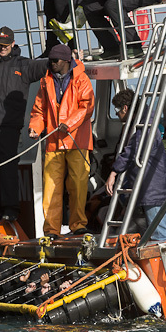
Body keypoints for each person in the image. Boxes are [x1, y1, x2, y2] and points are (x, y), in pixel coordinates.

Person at [0, 26, 50, 220]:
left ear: (13, 43)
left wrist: (69, 56)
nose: (2, 48)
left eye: (5, 45)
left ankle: (11, 209)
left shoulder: (24, 65)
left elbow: (50, 64)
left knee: (8, 169)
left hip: (9, 127)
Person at [28, 44, 95, 237]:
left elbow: (87, 106)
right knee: (51, 187)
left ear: (66, 61)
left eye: (55, 60)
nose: (52, 63)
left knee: (78, 184)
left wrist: (70, 123)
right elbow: (39, 110)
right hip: (53, 141)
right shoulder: (45, 81)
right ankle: (51, 229)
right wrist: (35, 127)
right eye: (50, 60)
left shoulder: (82, 79)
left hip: (77, 140)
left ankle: (78, 225)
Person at [105, 89, 166, 242]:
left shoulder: (146, 126)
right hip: (151, 187)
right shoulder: (145, 122)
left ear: (125, 108)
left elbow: (134, 150)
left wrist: (114, 171)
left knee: (160, 236)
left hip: (153, 189)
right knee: (157, 235)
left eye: (117, 110)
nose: (116, 114)